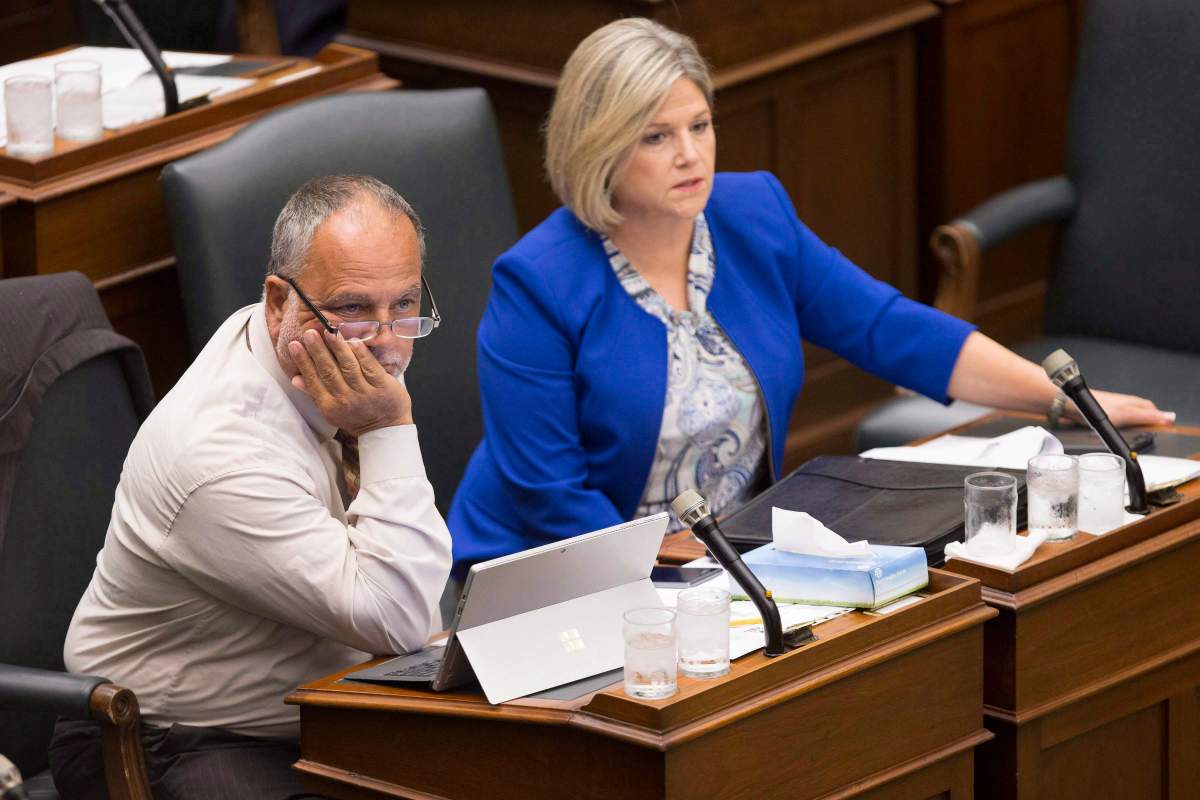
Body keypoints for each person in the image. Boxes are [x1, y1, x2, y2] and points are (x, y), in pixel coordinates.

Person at [447, 18, 1173, 577]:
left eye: (700, 126)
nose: (691, 155)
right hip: (567, 575)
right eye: (656, 137)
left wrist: (1059, 399)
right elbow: (551, 497)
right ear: (598, 147)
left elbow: (887, 327)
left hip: (726, 561)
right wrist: (692, 565)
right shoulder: (539, 282)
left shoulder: (751, 214)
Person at [49, 175, 452, 799]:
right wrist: (386, 430)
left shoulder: (327, 354)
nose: (387, 343)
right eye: (352, 308)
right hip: (174, 738)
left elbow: (407, 610)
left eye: (403, 304)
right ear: (276, 302)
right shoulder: (221, 457)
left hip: (333, 696)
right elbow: (395, 618)